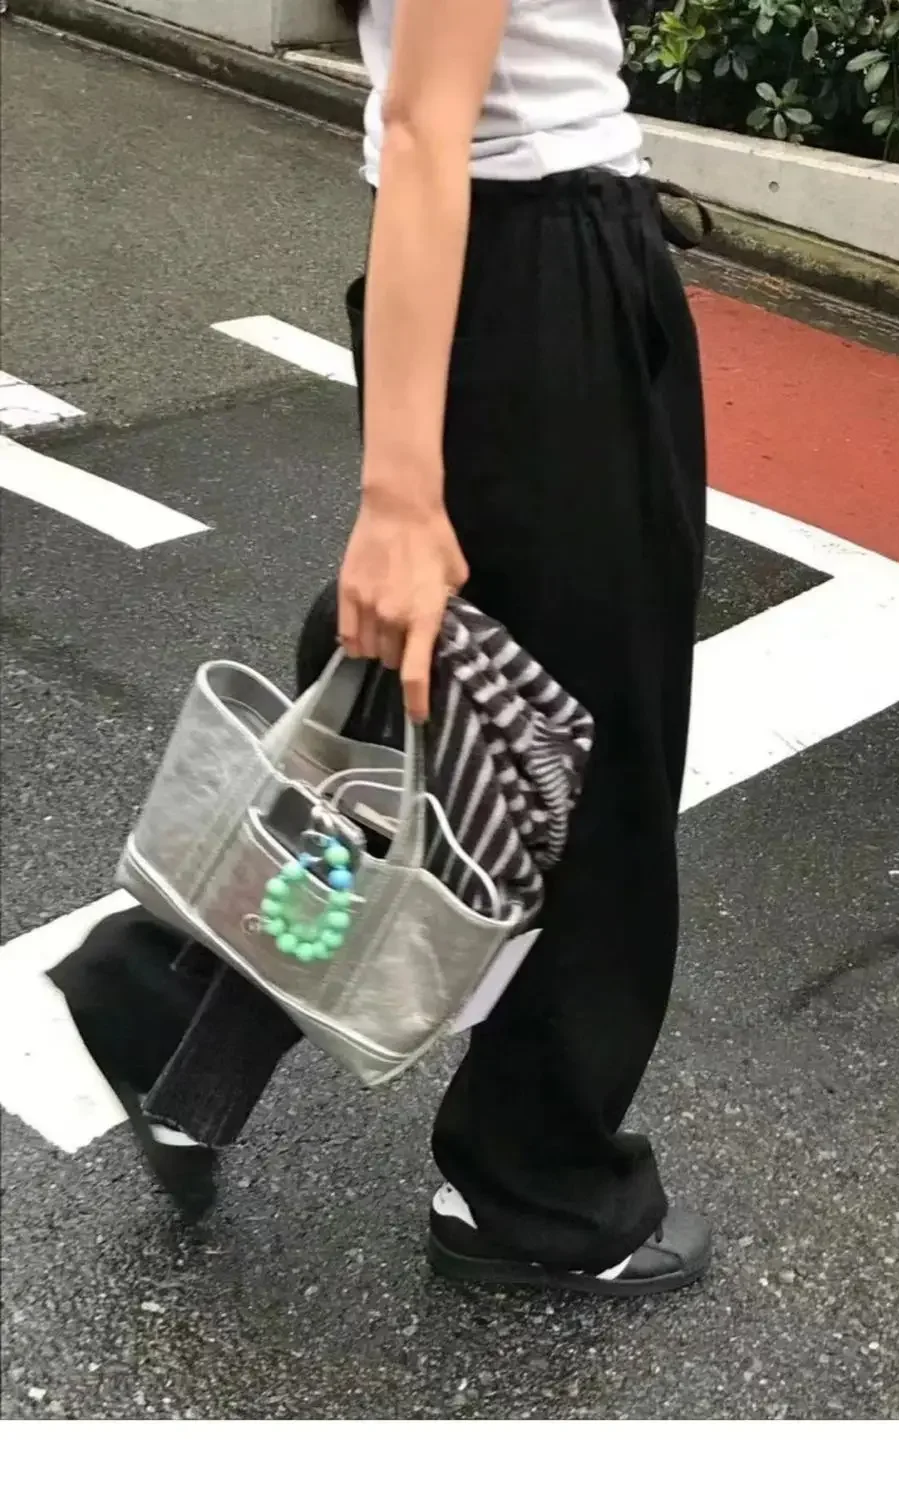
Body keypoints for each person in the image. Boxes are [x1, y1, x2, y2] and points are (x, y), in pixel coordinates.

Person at [58, 0, 711, 1298]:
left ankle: (175, 1008)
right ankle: (532, 1185)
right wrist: (399, 500)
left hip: (532, 253)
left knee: (451, 707)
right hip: (535, 262)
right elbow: (422, 128)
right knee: (588, 748)